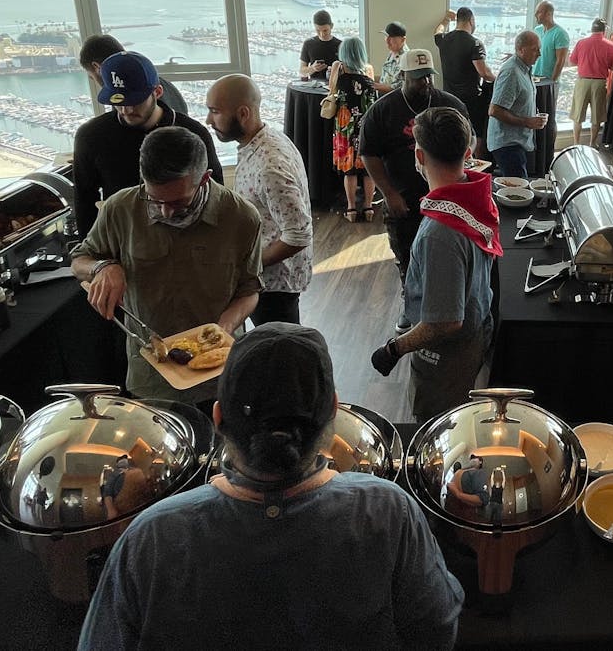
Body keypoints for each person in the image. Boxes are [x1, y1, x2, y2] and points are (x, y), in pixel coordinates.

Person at [78, 322, 464, 650]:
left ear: (218, 417)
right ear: (333, 411)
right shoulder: (389, 512)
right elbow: (437, 628)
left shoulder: (152, 536)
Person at [70, 126, 261, 405]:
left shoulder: (241, 217)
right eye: (155, 199)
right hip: (151, 378)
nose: (165, 211)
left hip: (219, 374)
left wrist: (224, 327)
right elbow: (79, 261)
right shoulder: (120, 209)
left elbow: (250, 290)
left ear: (204, 179)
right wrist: (102, 267)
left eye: (178, 202)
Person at [371, 106, 500, 421]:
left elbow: (444, 321)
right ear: (467, 152)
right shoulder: (477, 194)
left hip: (447, 355)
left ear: (419, 156)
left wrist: (394, 349)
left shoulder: (439, 234)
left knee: (438, 424)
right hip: (477, 328)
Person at [360, 49, 469, 336]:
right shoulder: (382, 110)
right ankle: (412, 308)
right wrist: (389, 193)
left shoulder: (451, 105)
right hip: (405, 200)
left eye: (428, 77)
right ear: (403, 77)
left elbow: (467, 148)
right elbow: (369, 154)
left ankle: (449, 310)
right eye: (418, 78)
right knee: (408, 258)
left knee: (448, 259)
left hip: (448, 200)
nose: (425, 84)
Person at [72, 51, 224, 237]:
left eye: (135, 101)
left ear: (157, 92)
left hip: (187, 237)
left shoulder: (192, 133)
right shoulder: (91, 136)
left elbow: (216, 193)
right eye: (118, 102)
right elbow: (84, 200)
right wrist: (93, 253)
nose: (126, 110)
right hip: (126, 240)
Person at [205, 74, 312, 325]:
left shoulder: (269, 166)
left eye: (215, 111)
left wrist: (247, 266)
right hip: (267, 277)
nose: (209, 120)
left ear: (243, 113)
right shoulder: (264, 139)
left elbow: (298, 235)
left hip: (275, 285)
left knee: (280, 351)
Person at [433, 7, 496, 159]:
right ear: (471, 21)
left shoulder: (444, 39)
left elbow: (437, 31)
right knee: (476, 136)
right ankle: (476, 167)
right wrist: (498, 78)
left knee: (453, 133)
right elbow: (484, 72)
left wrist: (446, 19)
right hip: (471, 99)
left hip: (449, 98)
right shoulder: (475, 43)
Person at [328, 37, 378, 222]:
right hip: (366, 122)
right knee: (367, 168)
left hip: (345, 122)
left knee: (349, 169)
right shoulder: (368, 68)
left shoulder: (338, 67)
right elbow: (372, 93)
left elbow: (331, 90)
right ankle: (368, 207)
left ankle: (350, 209)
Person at [77, 33, 189, 115]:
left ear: (97, 67)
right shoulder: (161, 84)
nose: (126, 111)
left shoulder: (122, 96)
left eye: (92, 77)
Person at [487, 31, 548, 179]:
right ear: (521, 49)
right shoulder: (511, 72)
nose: (539, 54)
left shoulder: (524, 69)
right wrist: (527, 122)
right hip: (507, 143)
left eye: (539, 49)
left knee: (517, 186)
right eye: (535, 49)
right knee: (518, 191)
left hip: (517, 141)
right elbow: (495, 110)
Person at [568, 18, 613, 147]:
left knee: (577, 116)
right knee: (597, 117)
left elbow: (572, 61)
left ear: (592, 29)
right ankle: (592, 143)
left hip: (582, 81)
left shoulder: (581, 43)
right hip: (599, 83)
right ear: (604, 30)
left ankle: (576, 143)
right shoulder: (610, 45)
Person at [531, 0, 569, 83]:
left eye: (538, 12)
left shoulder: (560, 34)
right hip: (534, 78)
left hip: (549, 80)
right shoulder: (537, 30)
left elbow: (560, 61)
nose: (535, 15)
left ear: (549, 14)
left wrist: (551, 82)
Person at [299, 10, 341, 80]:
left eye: (325, 30)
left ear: (332, 26)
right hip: (314, 88)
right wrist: (312, 68)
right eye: (318, 31)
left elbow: (348, 71)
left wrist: (336, 71)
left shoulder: (340, 45)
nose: (322, 34)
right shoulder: (308, 44)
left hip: (335, 88)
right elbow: (301, 72)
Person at [372, 21, 409, 95]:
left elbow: (399, 89)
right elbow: (386, 80)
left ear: (403, 40)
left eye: (391, 38)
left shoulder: (406, 58)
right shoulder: (392, 52)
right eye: (386, 36)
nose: (387, 41)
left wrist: (375, 86)